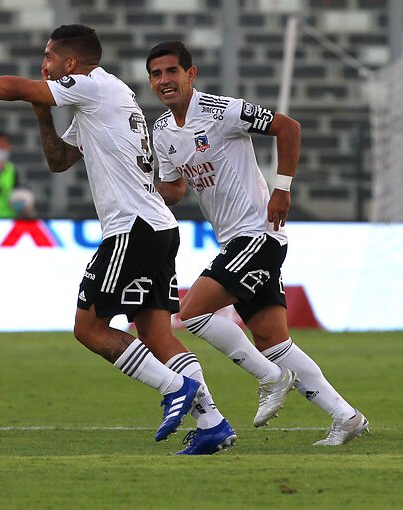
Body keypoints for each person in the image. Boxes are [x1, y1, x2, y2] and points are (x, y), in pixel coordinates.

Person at [0, 24, 240, 455]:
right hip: (158, 227)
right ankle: (212, 422)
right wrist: (40, 108)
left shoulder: (91, 87)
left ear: (70, 63)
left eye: (49, 57)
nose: (43, 65)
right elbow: (59, 160)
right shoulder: (105, 97)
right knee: (155, 334)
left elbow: (15, 86)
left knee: (88, 328)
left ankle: (174, 387)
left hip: (133, 227)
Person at [147, 41, 369, 446]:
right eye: (157, 74)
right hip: (234, 239)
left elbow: (289, 127)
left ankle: (269, 378)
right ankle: (346, 416)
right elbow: (175, 189)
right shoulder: (162, 132)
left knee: (192, 311)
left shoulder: (221, 110)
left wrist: (282, 189)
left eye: (172, 71)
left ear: (190, 74)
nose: (164, 80)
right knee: (273, 341)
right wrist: (142, 188)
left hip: (258, 234)